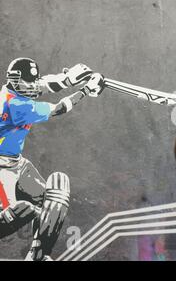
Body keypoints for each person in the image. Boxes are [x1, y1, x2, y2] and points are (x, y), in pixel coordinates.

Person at [0, 57, 105, 260]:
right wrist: (84, 91)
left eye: (33, 81)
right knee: (21, 212)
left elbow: (44, 84)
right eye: (27, 82)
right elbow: (58, 108)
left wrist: (70, 78)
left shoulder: (18, 89)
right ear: (14, 80)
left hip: (17, 163)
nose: (32, 86)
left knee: (54, 195)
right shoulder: (15, 105)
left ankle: (38, 255)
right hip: (2, 169)